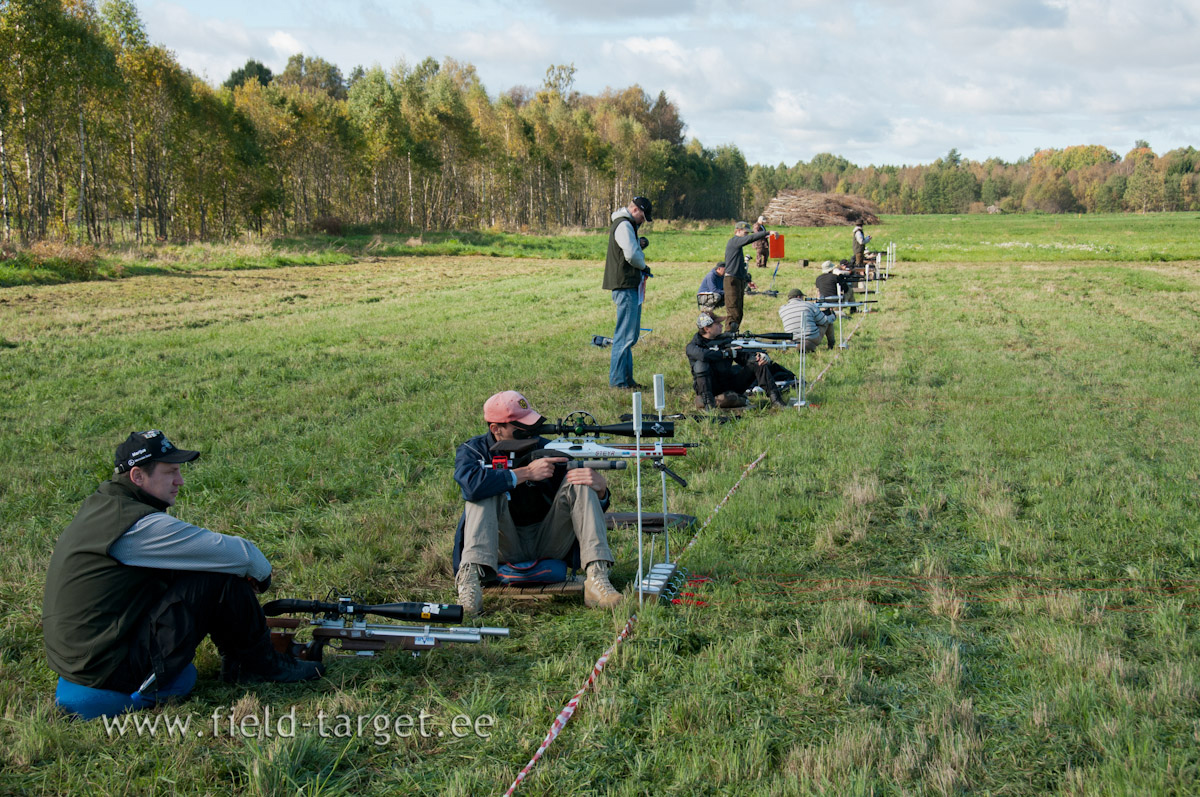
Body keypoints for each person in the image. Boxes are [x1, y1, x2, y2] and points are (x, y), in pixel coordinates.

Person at [43, 431, 322, 720]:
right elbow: (242, 555)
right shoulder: (136, 528)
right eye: (171, 471)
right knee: (218, 578)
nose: (180, 480)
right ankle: (258, 665)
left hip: (87, 658)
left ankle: (244, 659)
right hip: (108, 669)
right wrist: (262, 578)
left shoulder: (104, 506)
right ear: (138, 476)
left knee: (201, 569)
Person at [452, 391, 622, 616]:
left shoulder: (549, 449)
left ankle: (597, 578)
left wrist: (600, 490)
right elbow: (470, 486)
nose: (531, 434)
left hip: (549, 540)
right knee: (483, 490)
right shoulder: (474, 451)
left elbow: (584, 506)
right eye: (521, 429)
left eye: (532, 426)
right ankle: (470, 584)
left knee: (579, 479)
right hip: (502, 543)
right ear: (496, 429)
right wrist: (522, 474)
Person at [602, 196, 653, 389]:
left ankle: (626, 379)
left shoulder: (626, 226)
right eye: (643, 217)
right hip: (625, 285)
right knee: (624, 336)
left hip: (628, 285)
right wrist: (643, 264)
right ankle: (618, 381)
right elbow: (631, 255)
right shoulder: (624, 225)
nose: (643, 221)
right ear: (635, 210)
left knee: (630, 335)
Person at [686, 313, 787, 410]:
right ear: (706, 328)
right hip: (708, 388)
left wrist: (758, 356)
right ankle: (708, 404)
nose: (722, 326)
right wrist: (724, 354)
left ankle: (776, 400)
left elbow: (744, 356)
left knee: (757, 362)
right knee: (701, 365)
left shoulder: (725, 341)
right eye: (717, 324)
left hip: (728, 384)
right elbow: (703, 355)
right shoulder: (693, 346)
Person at [722, 221, 771, 333]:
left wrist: (748, 280)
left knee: (739, 311)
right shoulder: (734, 242)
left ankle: (735, 333)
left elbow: (739, 265)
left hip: (738, 279)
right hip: (731, 281)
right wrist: (766, 233)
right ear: (738, 231)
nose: (747, 235)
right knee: (733, 311)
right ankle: (728, 336)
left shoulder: (738, 247)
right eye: (745, 232)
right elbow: (749, 239)